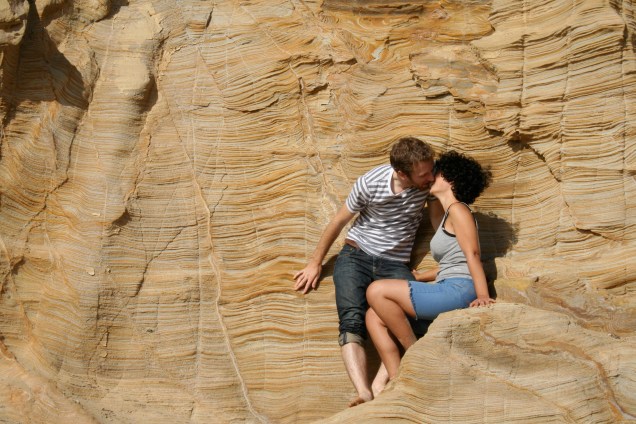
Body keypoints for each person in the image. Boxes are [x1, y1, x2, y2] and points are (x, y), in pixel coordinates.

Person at [293, 136, 437, 407]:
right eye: (423, 174)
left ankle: (381, 383)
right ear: (402, 174)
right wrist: (315, 262)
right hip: (356, 256)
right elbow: (339, 221)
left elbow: (444, 206)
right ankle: (363, 391)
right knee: (351, 320)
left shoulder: (430, 180)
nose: (430, 177)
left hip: (395, 264)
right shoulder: (370, 182)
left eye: (431, 170)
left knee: (414, 319)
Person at [365, 150, 495, 384]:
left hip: (459, 289)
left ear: (451, 180)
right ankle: (396, 379)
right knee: (374, 316)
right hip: (446, 285)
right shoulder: (447, 215)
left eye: (437, 172)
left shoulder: (459, 210)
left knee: (376, 290)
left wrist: (483, 295)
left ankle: (415, 354)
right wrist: (421, 277)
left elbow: (472, 254)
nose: (432, 176)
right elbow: (452, 261)